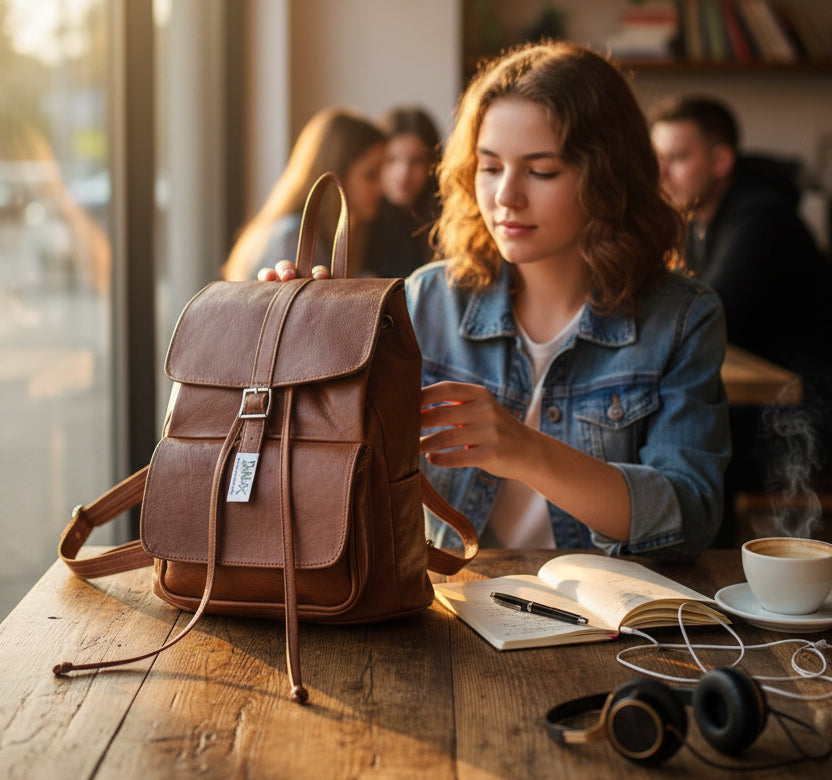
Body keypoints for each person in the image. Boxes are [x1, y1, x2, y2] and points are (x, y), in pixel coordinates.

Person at [265, 42, 730, 558]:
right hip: (452, 610)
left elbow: (691, 514)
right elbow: (328, 470)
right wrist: (290, 346)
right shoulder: (429, 300)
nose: (506, 196)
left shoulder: (682, 318)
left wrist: (526, 450)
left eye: (542, 171)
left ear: (608, 179)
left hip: (611, 618)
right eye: (489, 167)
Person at [649, 96, 832, 381]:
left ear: (721, 161)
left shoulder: (761, 217)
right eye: (657, 159)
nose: (661, 174)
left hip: (800, 403)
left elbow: (706, 319)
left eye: (677, 158)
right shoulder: (697, 220)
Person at [222, 108, 387, 280]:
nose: (381, 188)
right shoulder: (294, 236)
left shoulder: (333, 235)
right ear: (336, 173)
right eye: (371, 174)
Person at [364, 106, 441, 277]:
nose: (403, 173)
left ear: (433, 164)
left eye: (416, 161)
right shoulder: (361, 218)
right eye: (392, 160)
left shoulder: (445, 221)